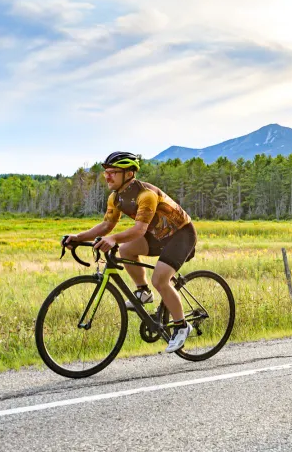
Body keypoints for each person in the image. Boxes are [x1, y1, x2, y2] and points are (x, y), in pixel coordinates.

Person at [64, 151, 197, 353]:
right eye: (106, 172)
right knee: (126, 249)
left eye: (113, 172)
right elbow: (106, 225)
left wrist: (113, 239)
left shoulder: (146, 195)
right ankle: (143, 292)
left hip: (181, 235)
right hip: (158, 235)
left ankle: (181, 326)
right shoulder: (116, 197)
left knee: (160, 280)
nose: (107, 176)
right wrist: (79, 237)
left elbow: (139, 230)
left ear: (129, 174)